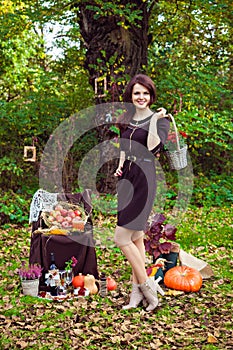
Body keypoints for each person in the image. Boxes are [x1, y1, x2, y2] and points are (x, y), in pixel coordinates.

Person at [114, 74, 170, 311]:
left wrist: (155, 120)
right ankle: (136, 293)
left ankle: (149, 287)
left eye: (146, 93)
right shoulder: (126, 121)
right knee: (135, 236)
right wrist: (120, 163)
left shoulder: (160, 120)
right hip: (126, 178)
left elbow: (152, 148)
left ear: (151, 96)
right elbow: (125, 146)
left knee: (120, 238)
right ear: (131, 95)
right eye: (137, 93)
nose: (141, 97)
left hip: (144, 178)